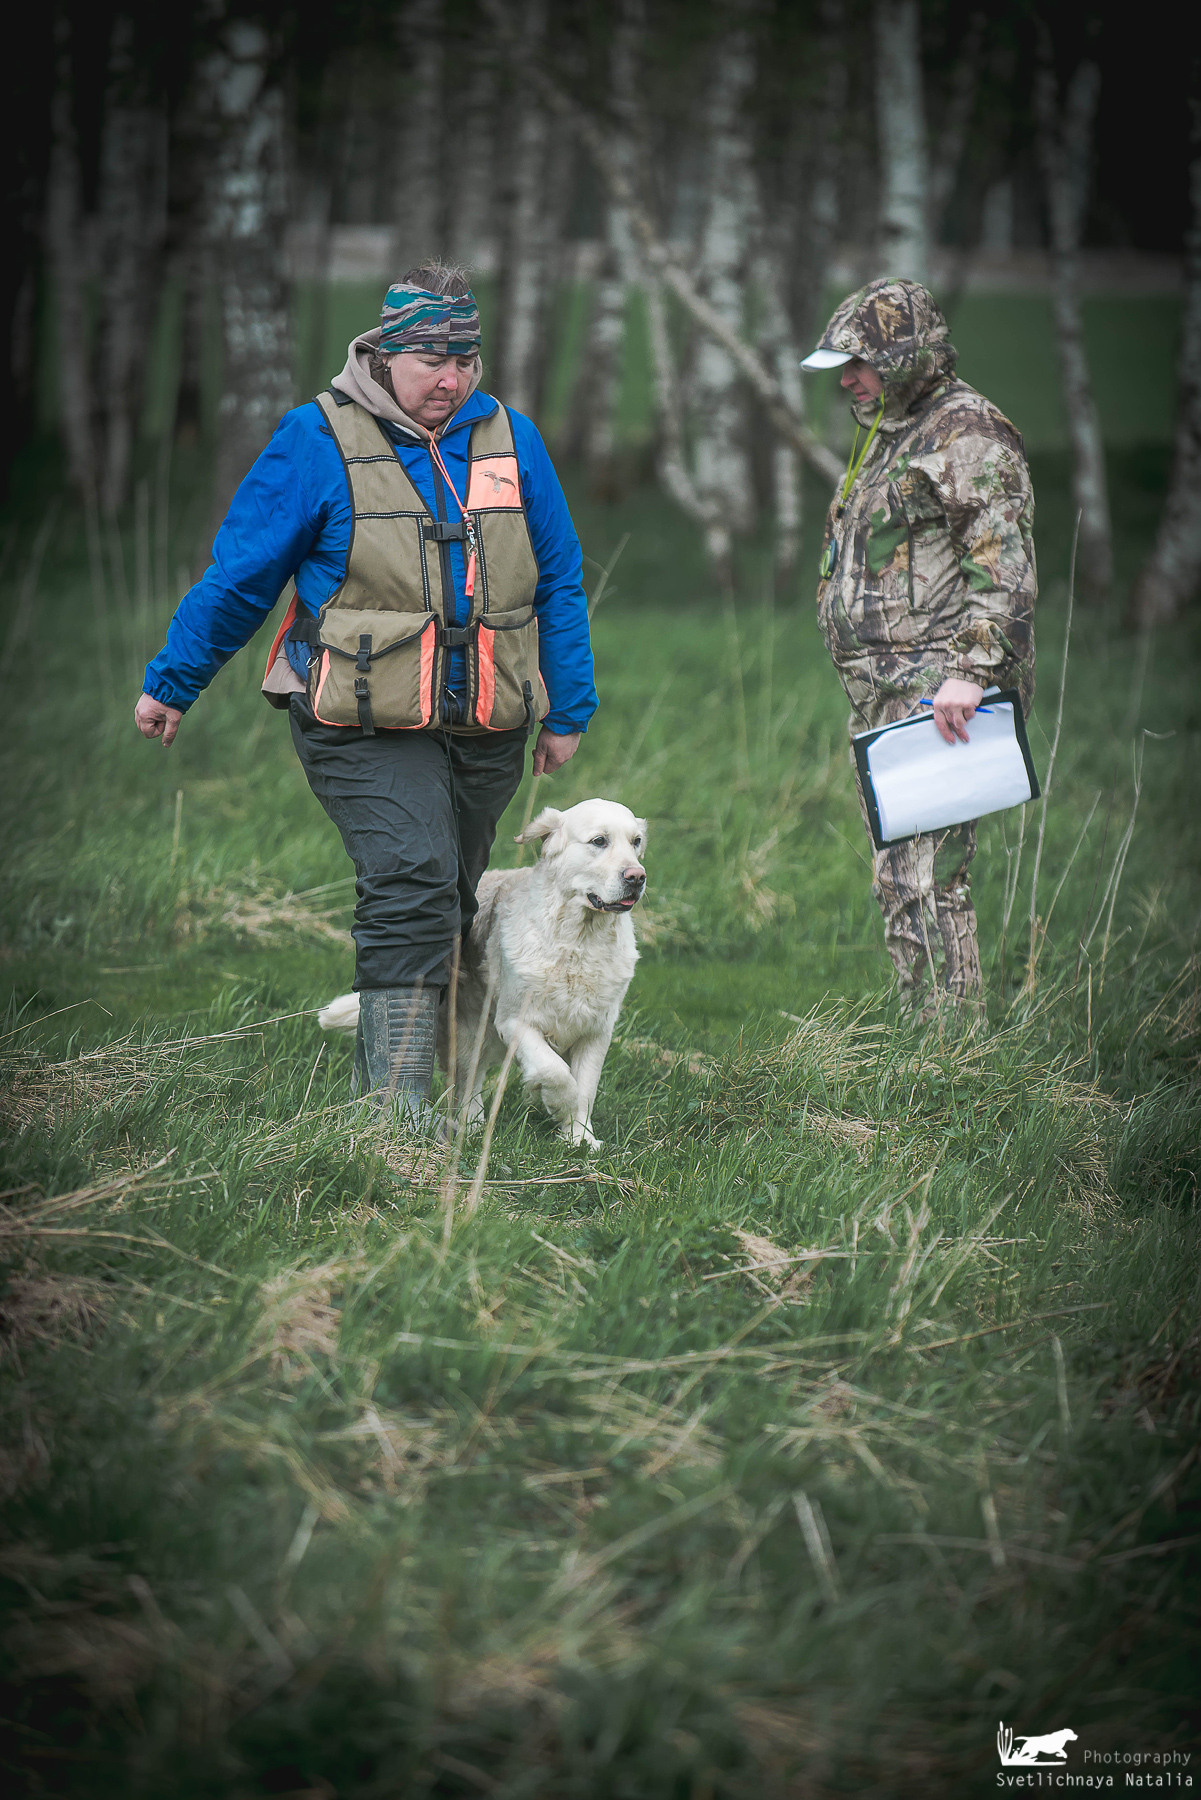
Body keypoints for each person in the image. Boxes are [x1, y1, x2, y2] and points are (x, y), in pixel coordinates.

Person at [136, 262, 597, 1124]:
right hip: (358, 718)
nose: (451, 380)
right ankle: (391, 1111)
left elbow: (559, 580)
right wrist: (174, 682)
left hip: (485, 718)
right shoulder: (314, 439)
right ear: (384, 354)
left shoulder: (511, 437)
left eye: (466, 360)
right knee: (412, 877)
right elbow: (241, 580)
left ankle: (451, 1094)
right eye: (431, 361)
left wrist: (566, 706)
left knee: (449, 896)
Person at [801, 278, 1036, 1018]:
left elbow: (1004, 566)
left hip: (938, 691)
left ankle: (943, 1046)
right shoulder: (888, 426)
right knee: (900, 871)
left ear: (903, 358)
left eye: (859, 362)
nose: (846, 378)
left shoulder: (965, 432)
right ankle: (932, 1029)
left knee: (924, 875)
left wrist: (970, 674)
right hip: (884, 690)